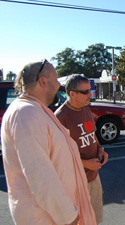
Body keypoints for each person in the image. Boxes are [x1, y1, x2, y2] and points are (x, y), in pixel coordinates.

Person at [1, 60, 96, 225]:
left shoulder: (34, 110)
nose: (59, 84)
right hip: (45, 218)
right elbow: (40, 175)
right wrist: (68, 217)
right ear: (43, 82)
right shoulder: (26, 113)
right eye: (56, 79)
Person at [55, 74, 108, 224]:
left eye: (91, 90)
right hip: (75, 183)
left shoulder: (85, 109)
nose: (90, 94)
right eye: (85, 92)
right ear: (72, 94)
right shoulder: (60, 117)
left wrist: (100, 150)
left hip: (94, 178)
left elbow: (93, 134)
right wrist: (86, 163)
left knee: (95, 220)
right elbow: (59, 155)